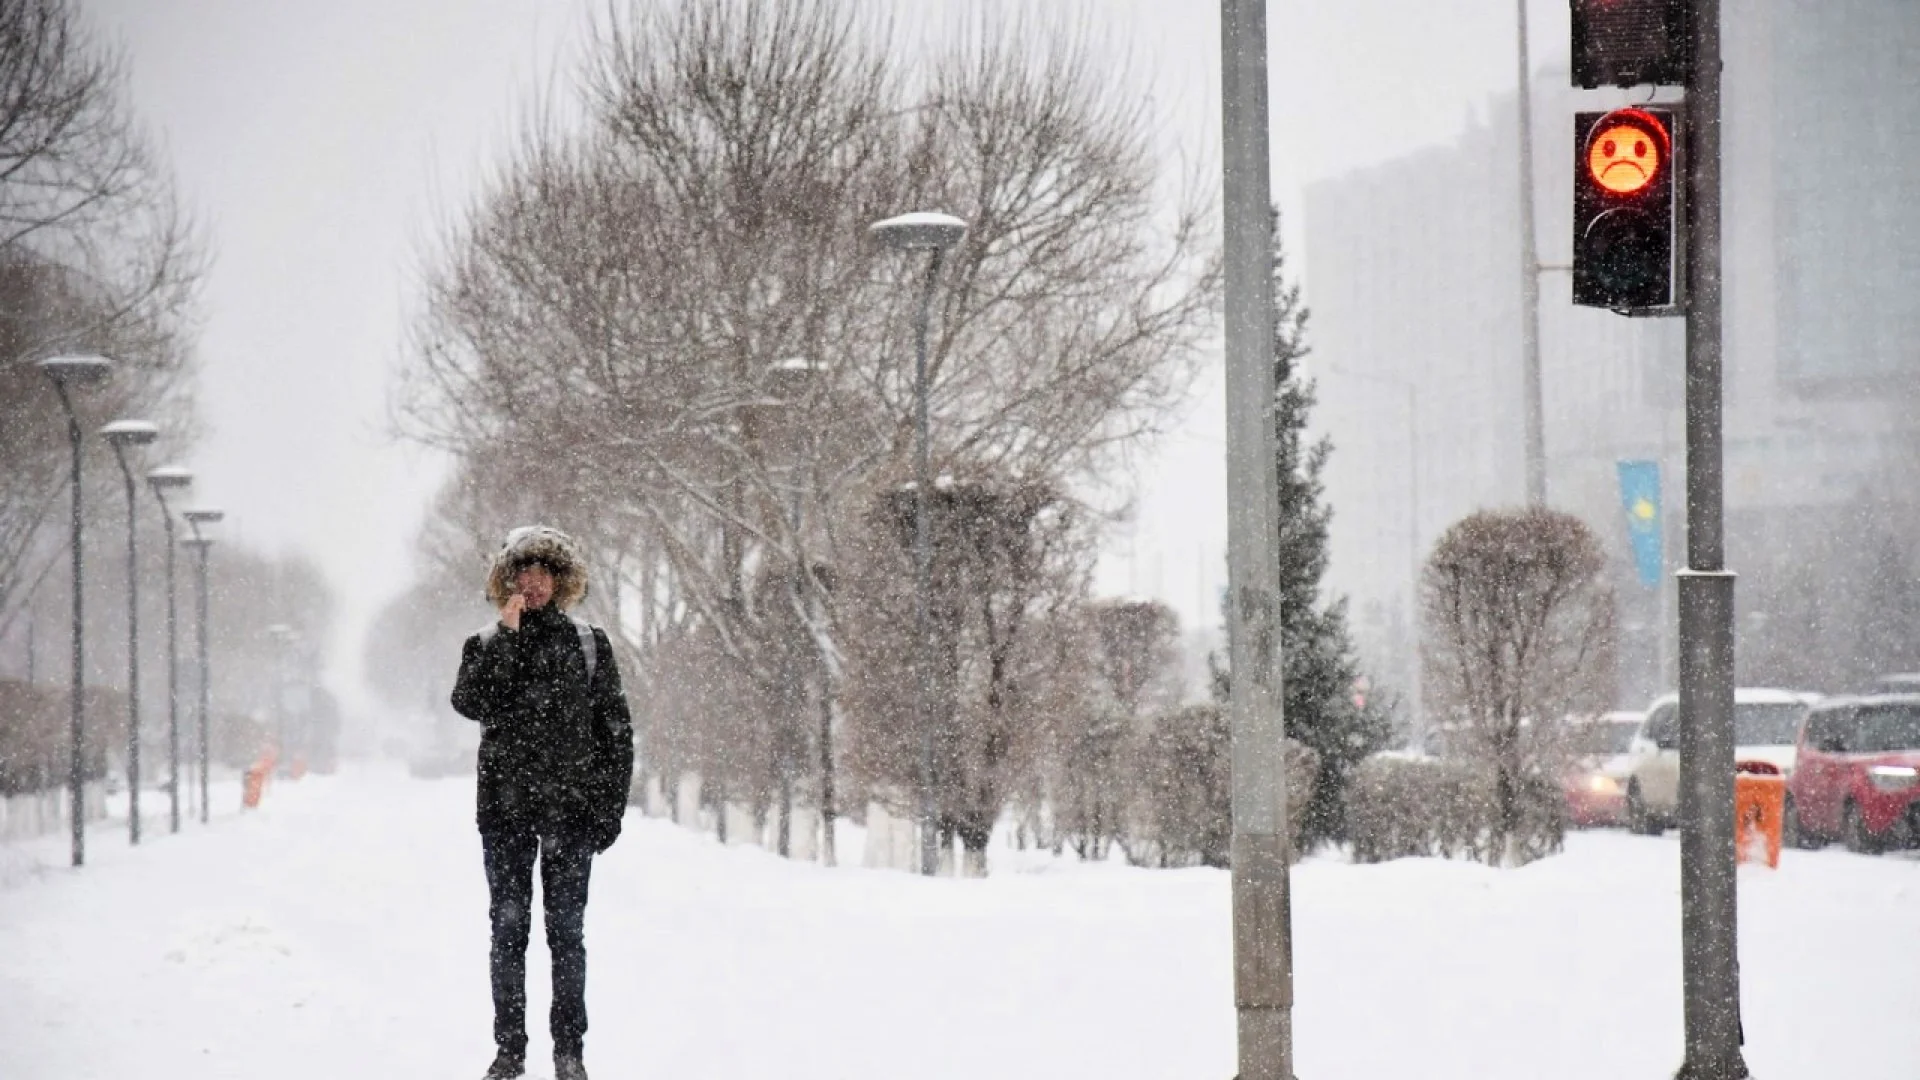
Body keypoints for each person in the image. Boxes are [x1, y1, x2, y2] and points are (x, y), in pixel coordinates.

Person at [451, 526, 634, 1080]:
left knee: (566, 935)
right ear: (507, 580)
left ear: (560, 581)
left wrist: (608, 809)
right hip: (505, 816)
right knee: (508, 932)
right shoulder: (484, 646)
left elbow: (616, 733)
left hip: (571, 816)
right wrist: (507, 639)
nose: (532, 584)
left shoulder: (587, 644)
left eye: (543, 573)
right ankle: (509, 1053)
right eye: (523, 573)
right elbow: (471, 702)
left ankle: (569, 1053)